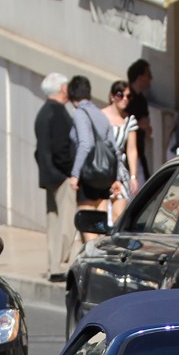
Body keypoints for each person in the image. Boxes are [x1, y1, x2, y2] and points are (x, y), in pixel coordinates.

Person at [34, 72, 76, 279]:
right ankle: (58, 264)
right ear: (62, 89)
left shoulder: (43, 112)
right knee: (66, 222)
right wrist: (70, 172)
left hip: (48, 174)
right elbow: (62, 148)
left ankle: (53, 266)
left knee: (53, 222)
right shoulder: (58, 113)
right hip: (60, 176)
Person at [66, 76, 114, 241]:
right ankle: (101, 261)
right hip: (104, 175)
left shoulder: (80, 114)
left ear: (72, 96)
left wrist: (75, 174)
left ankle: (94, 261)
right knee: (100, 224)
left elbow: (85, 144)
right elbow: (112, 145)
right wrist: (117, 178)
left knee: (87, 224)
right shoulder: (101, 114)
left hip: (88, 175)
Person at [101, 80, 141, 220]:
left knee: (119, 215)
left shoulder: (129, 120)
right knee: (102, 213)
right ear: (112, 96)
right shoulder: (100, 117)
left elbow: (131, 150)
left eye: (128, 96)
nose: (124, 99)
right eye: (120, 95)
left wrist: (133, 176)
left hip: (120, 170)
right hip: (102, 168)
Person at [124, 59, 153, 186]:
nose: (151, 78)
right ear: (140, 77)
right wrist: (137, 123)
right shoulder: (126, 98)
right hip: (125, 152)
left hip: (139, 149)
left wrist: (146, 127)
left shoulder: (142, 99)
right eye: (148, 75)